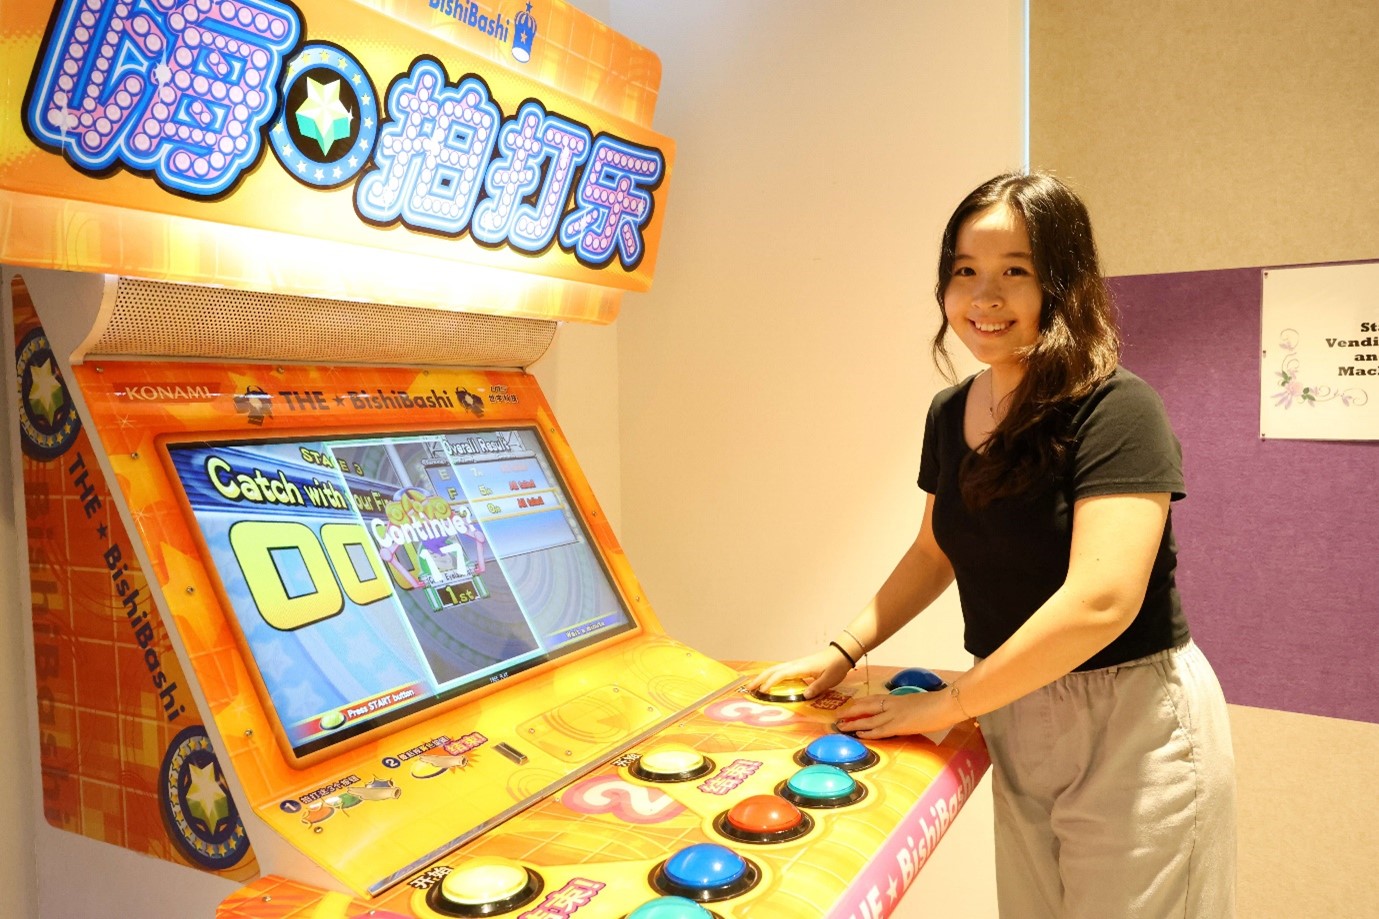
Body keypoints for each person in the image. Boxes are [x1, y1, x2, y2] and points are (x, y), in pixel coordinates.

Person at [746, 172, 1236, 918]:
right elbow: (932, 552)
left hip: (1132, 721)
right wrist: (842, 649)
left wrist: (951, 702)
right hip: (1015, 702)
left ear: (1062, 285)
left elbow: (1100, 601)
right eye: (964, 272)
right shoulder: (952, 412)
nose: (984, 298)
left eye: (1015, 272)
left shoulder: (1117, 407)